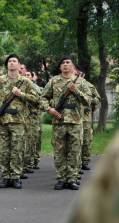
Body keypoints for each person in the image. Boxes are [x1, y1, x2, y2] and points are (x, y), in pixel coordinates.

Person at [68, 113, 119, 222]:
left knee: (78, 148)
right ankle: (63, 178)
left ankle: (72, 176)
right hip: (62, 122)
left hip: (78, 122)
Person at [0, 54, 38, 189]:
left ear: (19, 65)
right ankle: (5, 176)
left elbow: (36, 99)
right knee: (3, 150)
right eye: (9, 61)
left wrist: (21, 95)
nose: (12, 63)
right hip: (2, 120)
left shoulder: (26, 82)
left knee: (17, 150)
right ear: (7, 65)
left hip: (19, 121)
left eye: (14, 61)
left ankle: (15, 177)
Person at [40, 56, 90, 190]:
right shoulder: (53, 81)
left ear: (73, 67)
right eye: (63, 63)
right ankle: (61, 179)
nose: (65, 65)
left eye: (68, 63)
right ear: (60, 67)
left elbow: (89, 101)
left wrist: (76, 91)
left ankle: (72, 179)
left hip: (76, 123)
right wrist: (49, 109)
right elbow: (42, 98)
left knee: (74, 152)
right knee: (59, 152)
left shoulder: (81, 82)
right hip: (59, 123)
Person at [75, 64, 100, 171]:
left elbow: (97, 98)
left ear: (83, 75)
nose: (78, 75)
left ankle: (85, 161)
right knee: (76, 140)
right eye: (76, 73)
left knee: (86, 139)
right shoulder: (72, 84)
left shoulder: (89, 85)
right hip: (75, 117)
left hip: (86, 118)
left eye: (80, 74)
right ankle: (77, 163)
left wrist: (88, 102)